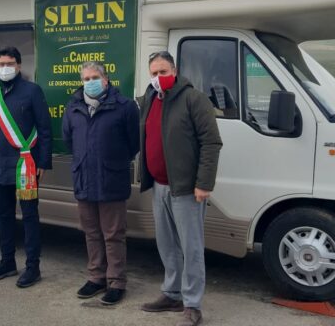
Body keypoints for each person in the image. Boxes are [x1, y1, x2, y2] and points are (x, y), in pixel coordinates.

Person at [139, 51, 222, 326]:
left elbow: (211, 143)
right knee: (167, 245)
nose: (157, 78)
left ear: (174, 71)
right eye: (153, 73)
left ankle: (192, 304)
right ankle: (172, 293)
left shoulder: (193, 99)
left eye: (162, 72)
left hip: (187, 189)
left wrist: (204, 184)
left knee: (191, 247)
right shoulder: (150, 99)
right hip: (159, 186)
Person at [62, 61, 139, 305]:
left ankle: (116, 282)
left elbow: (133, 144)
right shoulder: (73, 107)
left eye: (95, 77)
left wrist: (111, 160)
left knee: (113, 234)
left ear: (105, 80)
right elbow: (68, 140)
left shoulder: (125, 107)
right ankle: (96, 278)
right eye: (86, 78)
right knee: (91, 233)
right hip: (84, 179)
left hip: (111, 179)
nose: (90, 82)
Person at [0, 46, 52, 288]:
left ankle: (33, 267)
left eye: (10, 63)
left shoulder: (32, 90)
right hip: (0, 163)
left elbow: (44, 128)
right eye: (1, 64)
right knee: (4, 214)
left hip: (26, 164)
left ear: (19, 66)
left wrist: (42, 161)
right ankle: (7, 261)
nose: (5, 68)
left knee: (30, 215)